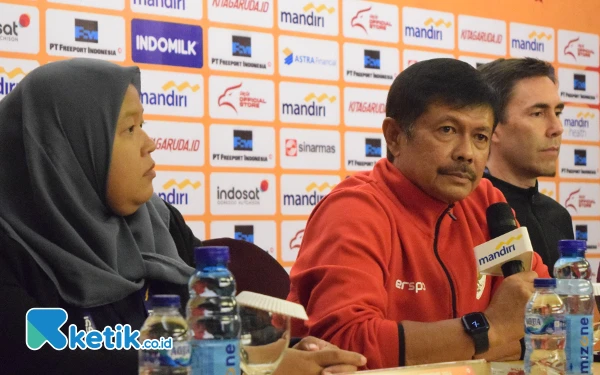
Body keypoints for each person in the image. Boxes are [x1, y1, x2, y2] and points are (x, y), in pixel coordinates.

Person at [0, 58, 365, 375]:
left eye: (142, 124)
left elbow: (218, 335)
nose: (149, 142)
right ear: (65, 152)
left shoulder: (158, 224)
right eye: (129, 129)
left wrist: (281, 353)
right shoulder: (11, 248)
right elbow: (49, 363)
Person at [287, 58, 550, 370]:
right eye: (448, 130)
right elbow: (347, 343)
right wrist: (488, 331)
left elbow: (544, 310)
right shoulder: (353, 209)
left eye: (480, 136)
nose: (466, 152)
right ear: (395, 136)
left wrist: (503, 336)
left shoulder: (487, 201)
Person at [478, 58, 574, 277]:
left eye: (557, 112)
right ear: (492, 127)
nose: (556, 128)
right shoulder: (467, 213)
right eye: (537, 113)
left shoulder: (558, 216)